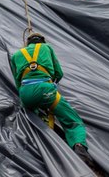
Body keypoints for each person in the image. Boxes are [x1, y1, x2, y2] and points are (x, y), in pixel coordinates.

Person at [10, 32, 95, 167]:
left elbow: (17, 83)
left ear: (27, 43)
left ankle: (43, 139)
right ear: (42, 41)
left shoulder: (16, 55)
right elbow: (58, 73)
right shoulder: (47, 48)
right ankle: (79, 146)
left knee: (34, 115)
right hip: (46, 90)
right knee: (72, 121)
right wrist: (51, 83)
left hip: (26, 94)